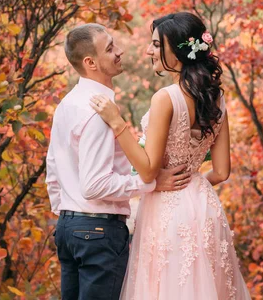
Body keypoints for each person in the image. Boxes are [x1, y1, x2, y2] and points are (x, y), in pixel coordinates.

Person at [90, 12, 252, 299]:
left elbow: (148, 171)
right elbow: (222, 171)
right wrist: (193, 185)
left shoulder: (165, 98)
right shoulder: (216, 98)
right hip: (205, 209)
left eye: (155, 45)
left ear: (176, 52)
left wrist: (117, 123)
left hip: (168, 212)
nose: (149, 51)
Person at [45, 23, 192, 300]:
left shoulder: (67, 103)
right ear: (90, 62)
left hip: (67, 230)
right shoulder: (98, 111)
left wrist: (69, 213)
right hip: (98, 232)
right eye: (110, 48)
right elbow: (94, 185)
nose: (119, 52)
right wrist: (149, 183)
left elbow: (52, 170)